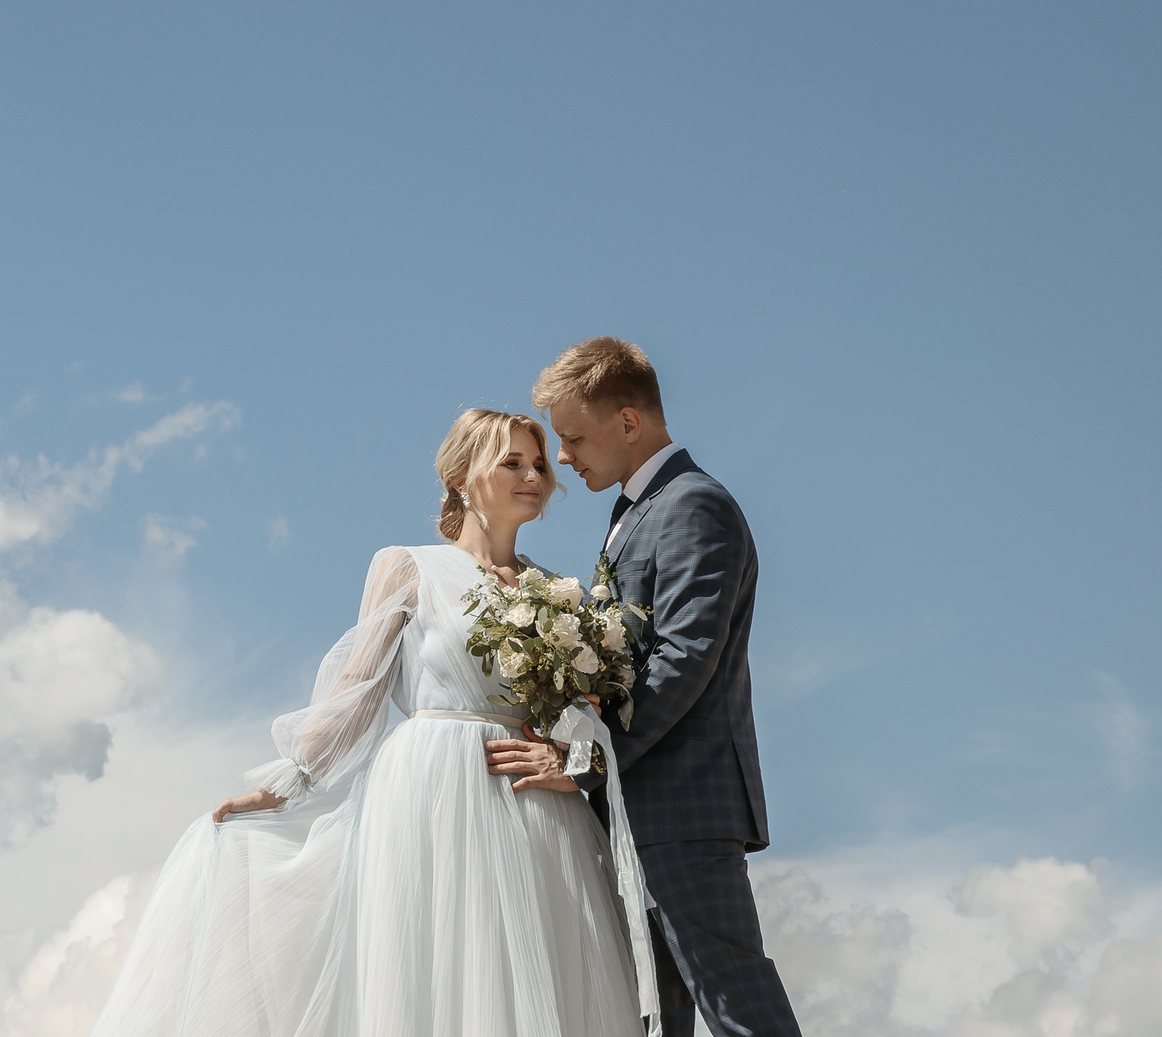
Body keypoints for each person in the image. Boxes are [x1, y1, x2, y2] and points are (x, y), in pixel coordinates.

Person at [87, 409, 660, 1037]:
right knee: (440, 965)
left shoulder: (557, 591)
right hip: (434, 789)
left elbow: (585, 712)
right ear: (462, 477)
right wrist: (290, 780)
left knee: (544, 964)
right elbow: (359, 688)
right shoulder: (408, 566)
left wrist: (571, 759)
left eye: (540, 464)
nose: (534, 476)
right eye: (513, 462)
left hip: (535, 798)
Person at [499, 336, 802, 1037]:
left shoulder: (693, 505)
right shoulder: (636, 511)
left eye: (574, 437)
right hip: (639, 810)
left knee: (737, 1005)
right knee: (652, 1021)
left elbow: (683, 657)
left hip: (683, 808)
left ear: (629, 422)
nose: (563, 457)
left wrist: (584, 762)